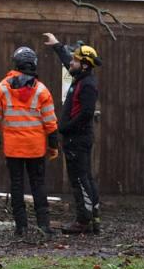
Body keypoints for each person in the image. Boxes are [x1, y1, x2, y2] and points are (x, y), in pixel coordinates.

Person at [0, 46, 59, 236]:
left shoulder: (2, 88)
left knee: (16, 186)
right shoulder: (42, 90)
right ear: (33, 64)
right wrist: (53, 146)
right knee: (38, 185)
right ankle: (44, 225)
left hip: (13, 149)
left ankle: (21, 227)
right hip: (35, 148)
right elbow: (50, 122)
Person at [43, 33, 101, 234]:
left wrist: (65, 128)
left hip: (77, 139)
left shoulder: (87, 85)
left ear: (84, 65)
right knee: (85, 177)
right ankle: (93, 217)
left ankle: (84, 221)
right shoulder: (81, 77)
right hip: (76, 138)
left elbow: (86, 113)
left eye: (76, 60)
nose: (72, 62)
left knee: (79, 179)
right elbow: (68, 62)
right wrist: (57, 46)